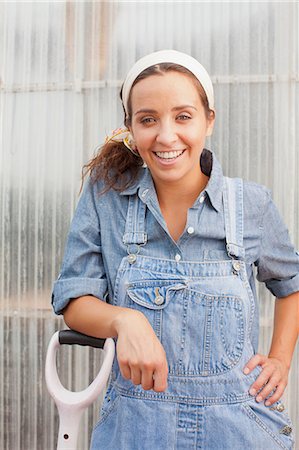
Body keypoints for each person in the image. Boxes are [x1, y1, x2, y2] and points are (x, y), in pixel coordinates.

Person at [51, 50, 299, 449]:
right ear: (130, 127)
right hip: (135, 433)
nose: (166, 136)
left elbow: (292, 284)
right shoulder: (106, 199)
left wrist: (280, 360)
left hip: (241, 433)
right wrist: (125, 321)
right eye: (148, 119)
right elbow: (73, 300)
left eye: (183, 116)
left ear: (209, 121)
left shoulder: (250, 206)